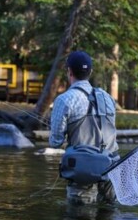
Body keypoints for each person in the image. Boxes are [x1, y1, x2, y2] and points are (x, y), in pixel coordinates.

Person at [49, 50, 119, 205]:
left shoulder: (64, 100)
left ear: (69, 71)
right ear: (90, 72)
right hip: (110, 170)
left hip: (83, 173)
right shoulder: (108, 98)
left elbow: (55, 142)